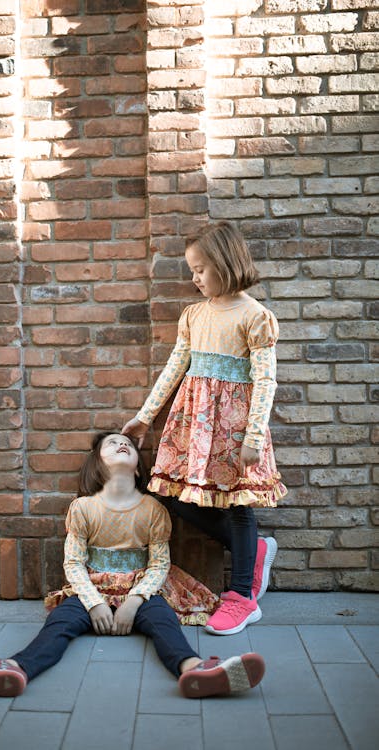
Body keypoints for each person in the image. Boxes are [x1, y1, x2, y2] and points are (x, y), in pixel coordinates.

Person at [0, 432, 265, 699]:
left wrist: (136, 600)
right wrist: (94, 603)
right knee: (59, 624)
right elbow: (73, 562)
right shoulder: (83, 508)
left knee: (164, 623)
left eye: (128, 444)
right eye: (112, 443)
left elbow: (159, 564)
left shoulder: (153, 509)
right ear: (97, 464)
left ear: (138, 469)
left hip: (143, 591)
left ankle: (196, 669)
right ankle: (14, 668)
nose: (122, 444)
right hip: (90, 591)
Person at [122, 221, 287, 636]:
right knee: (174, 496)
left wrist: (252, 437)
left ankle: (242, 598)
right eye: (192, 270)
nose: (194, 278)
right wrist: (145, 415)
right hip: (193, 425)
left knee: (238, 505)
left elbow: (265, 380)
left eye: (200, 269)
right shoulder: (193, 315)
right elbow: (176, 367)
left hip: (234, 428)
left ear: (225, 264)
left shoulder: (256, 316)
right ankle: (253, 552)